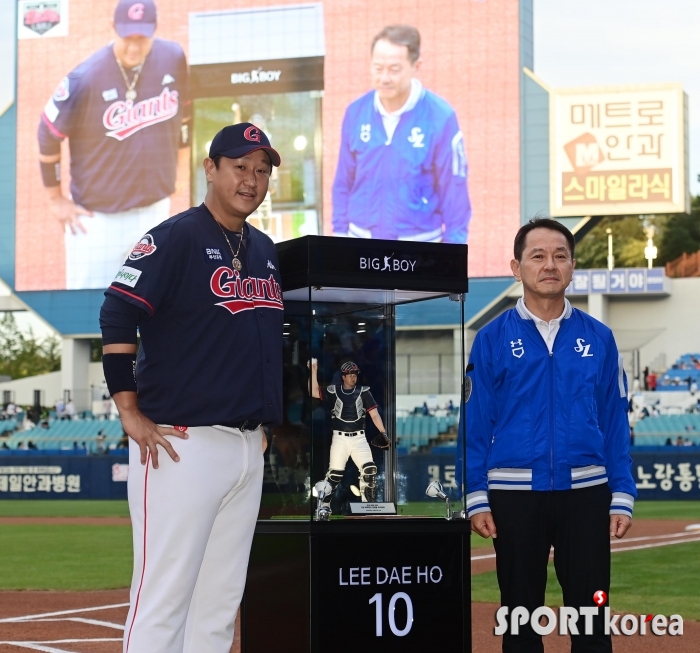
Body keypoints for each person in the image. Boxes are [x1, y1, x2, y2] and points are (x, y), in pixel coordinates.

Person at [99, 122, 282, 653]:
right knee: (163, 600)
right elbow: (117, 312)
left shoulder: (264, 249)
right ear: (210, 169)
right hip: (182, 444)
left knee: (219, 606)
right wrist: (128, 409)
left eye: (262, 170)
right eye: (239, 167)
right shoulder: (176, 236)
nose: (251, 179)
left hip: (246, 446)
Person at [460, 218, 636, 653]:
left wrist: (623, 492)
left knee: (592, 619)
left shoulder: (600, 337)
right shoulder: (491, 338)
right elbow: (476, 422)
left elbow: (615, 420)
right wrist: (476, 494)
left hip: (587, 494)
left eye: (559, 256)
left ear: (573, 266)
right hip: (515, 496)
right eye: (537, 255)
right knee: (520, 620)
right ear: (516, 267)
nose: (549, 265)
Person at [37, 0, 190, 290]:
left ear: (154, 31)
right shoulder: (85, 78)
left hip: (155, 212)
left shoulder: (172, 57)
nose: (134, 47)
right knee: (90, 311)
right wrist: (55, 198)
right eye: (127, 37)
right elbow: (48, 132)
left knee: (155, 305)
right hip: (98, 222)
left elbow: (187, 112)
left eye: (141, 38)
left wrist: (183, 165)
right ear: (113, 29)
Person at [332, 24, 471, 243]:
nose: (385, 77)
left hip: (421, 244)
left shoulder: (440, 117)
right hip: (361, 241)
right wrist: (339, 235)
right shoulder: (355, 112)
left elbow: (454, 189)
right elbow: (343, 180)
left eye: (394, 69)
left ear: (416, 66)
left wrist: (454, 251)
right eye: (378, 68)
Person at [308, 359, 390, 517]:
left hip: (360, 437)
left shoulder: (364, 391)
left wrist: (383, 433)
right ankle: (324, 506)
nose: (353, 377)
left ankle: (369, 507)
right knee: (335, 475)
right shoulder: (333, 391)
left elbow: (374, 414)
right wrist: (313, 371)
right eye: (349, 375)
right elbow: (313, 391)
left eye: (355, 374)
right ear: (343, 377)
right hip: (340, 439)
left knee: (369, 470)